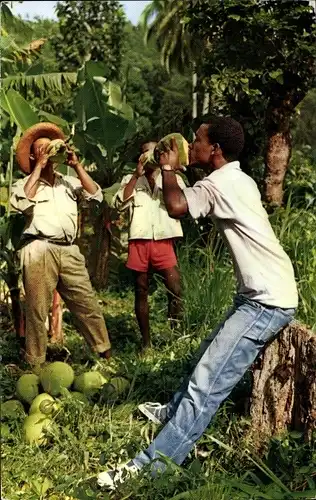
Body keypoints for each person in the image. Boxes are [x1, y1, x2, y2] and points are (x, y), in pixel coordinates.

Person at [97, 117, 298, 488]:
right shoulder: (237, 178)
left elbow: (175, 206)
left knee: (207, 385)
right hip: (259, 292)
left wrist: (170, 167)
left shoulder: (219, 185)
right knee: (207, 353)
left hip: (268, 302)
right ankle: (170, 413)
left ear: (215, 150)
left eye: (198, 139)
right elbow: (182, 198)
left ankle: (149, 468)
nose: (192, 143)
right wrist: (165, 169)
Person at [10, 138, 111, 367]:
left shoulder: (69, 182)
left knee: (87, 303)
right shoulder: (25, 183)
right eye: (41, 149)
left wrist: (75, 164)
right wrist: (39, 167)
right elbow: (21, 202)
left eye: (50, 146)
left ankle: (106, 354)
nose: (47, 151)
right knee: (36, 310)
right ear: (35, 156)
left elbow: (96, 195)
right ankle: (35, 365)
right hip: (38, 248)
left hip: (68, 250)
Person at [113, 141, 186, 348]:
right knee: (141, 289)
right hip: (140, 240)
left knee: (175, 289)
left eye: (155, 151)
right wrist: (136, 175)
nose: (151, 154)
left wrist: (169, 169)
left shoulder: (172, 178)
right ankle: (146, 343)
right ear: (141, 156)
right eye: (146, 151)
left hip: (163, 239)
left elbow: (181, 202)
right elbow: (120, 203)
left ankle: (175, 336)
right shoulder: (131, 179)